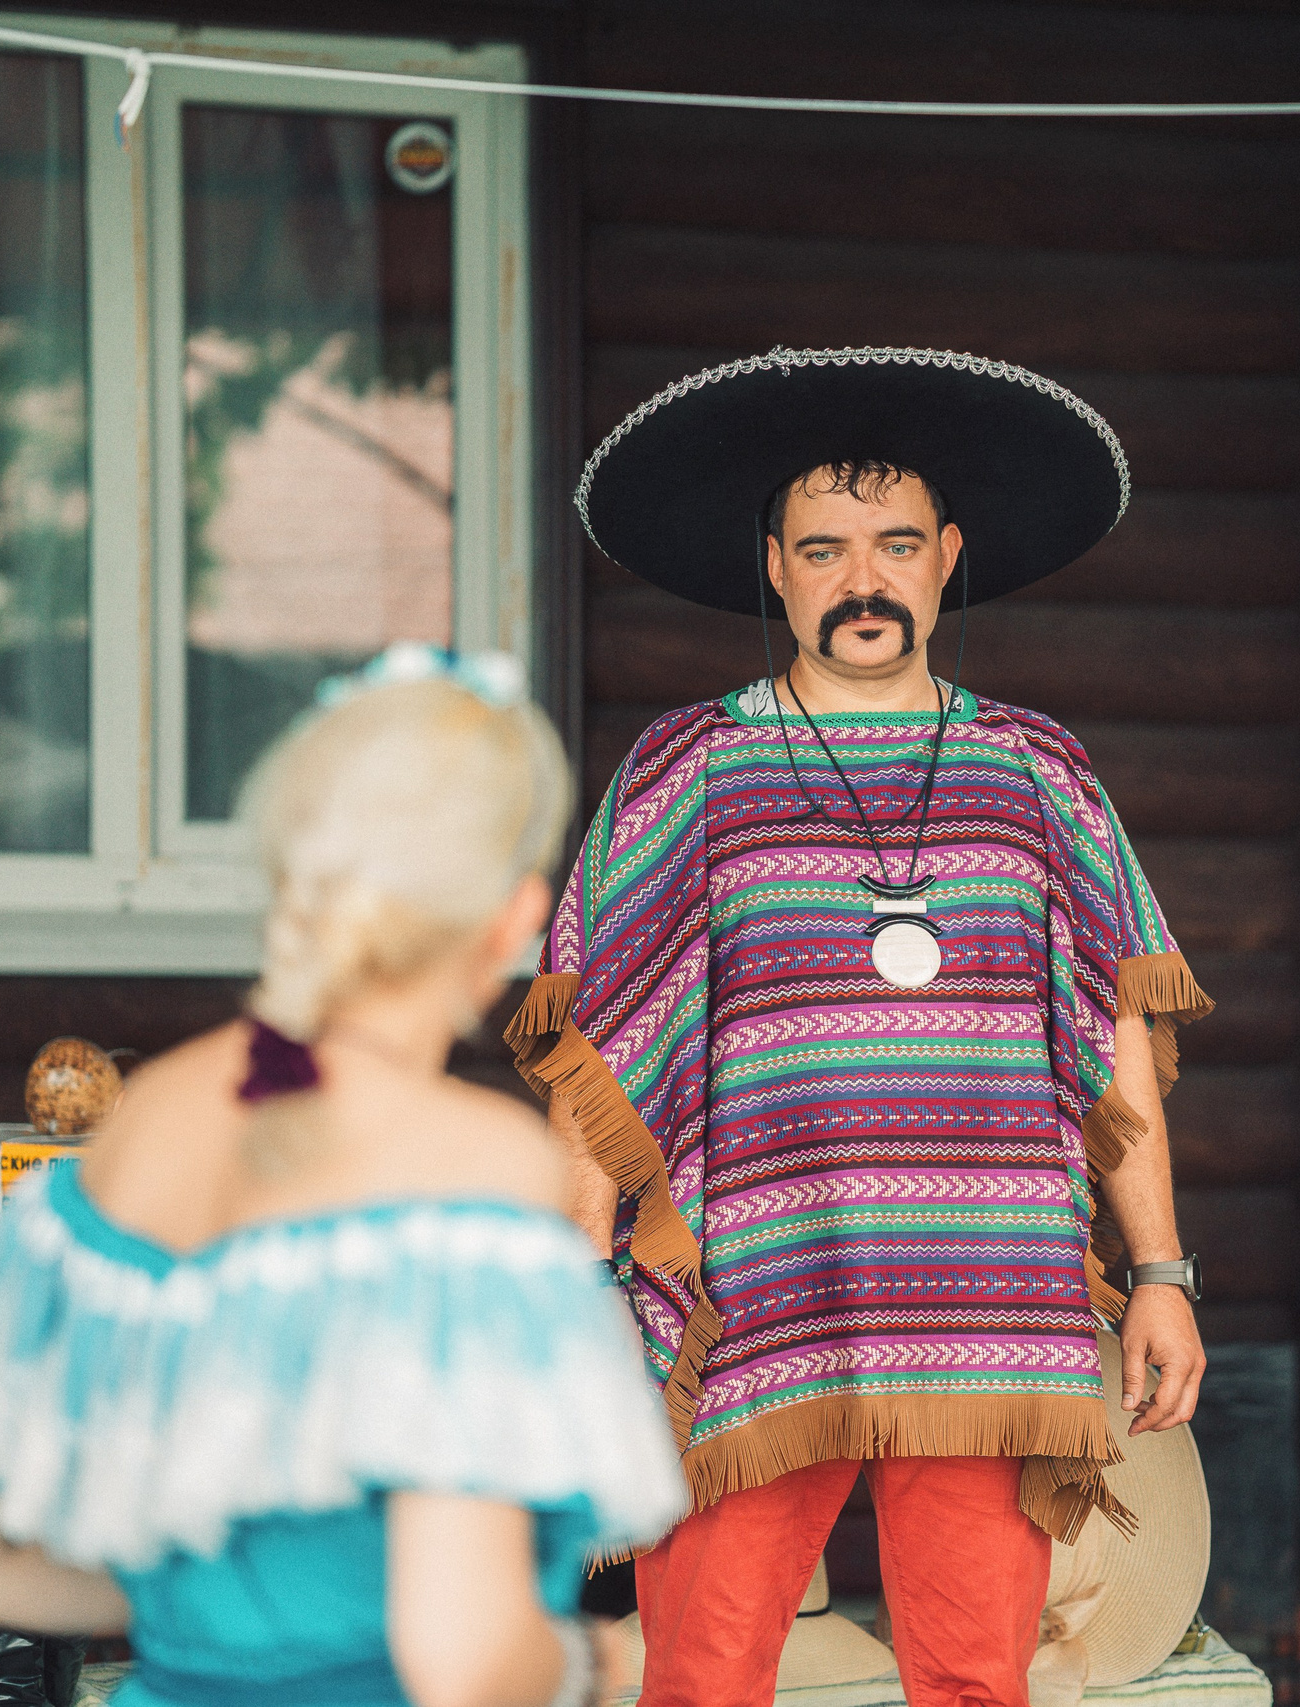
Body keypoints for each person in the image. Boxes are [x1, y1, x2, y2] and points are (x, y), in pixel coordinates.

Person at [510, 346, 1213, 1707]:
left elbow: (1113, 1038)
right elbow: (604, 1054)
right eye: (824, 547)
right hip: (754, 1293)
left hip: (991, 1299)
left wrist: (1165, 1268)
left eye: (896, 543)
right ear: (772, 564)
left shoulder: (1038, 772)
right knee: (703, 1672)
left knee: (973, 1679)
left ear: (948, 555)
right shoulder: (687, 773)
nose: (864, 576)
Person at [0, 649, 690, 1707]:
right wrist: (585, 1666)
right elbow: (460, 1657)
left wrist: (207, 1610)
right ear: (517, 917)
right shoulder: (475, 1167)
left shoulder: (138, 1130)